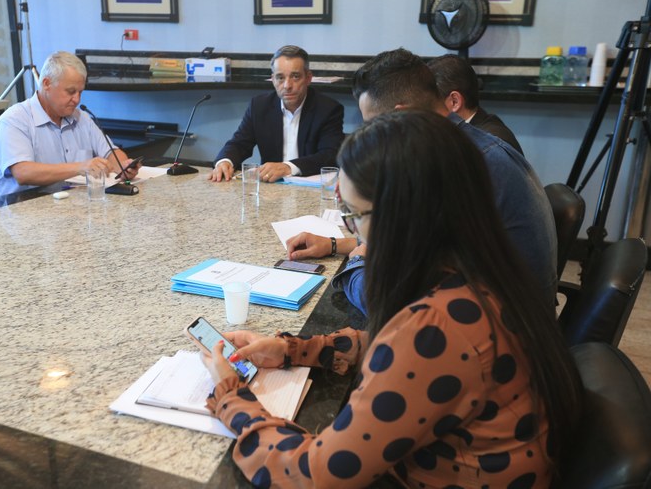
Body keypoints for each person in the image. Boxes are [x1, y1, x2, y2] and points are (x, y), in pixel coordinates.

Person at [201, 111, 583, 488]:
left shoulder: (435, 327)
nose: (353, 231)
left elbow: (312, 476)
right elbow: (406, 356)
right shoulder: (483, 265)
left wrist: (231, 395)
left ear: (403, 214)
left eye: (353, 215)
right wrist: (298, 349)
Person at [287, 48, 557, 313]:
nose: (372, 138)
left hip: (503, 327)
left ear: (402, 116)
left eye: (373, 126)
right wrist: (335, 244)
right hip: (518, 316)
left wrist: (354, 267)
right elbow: (413, 246)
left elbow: (389, 301)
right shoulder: (468, 144)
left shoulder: (449, 167)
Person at [0, 51, 139, 197]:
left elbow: (111, 153)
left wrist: (123, 166)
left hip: (70, 202)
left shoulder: (81, 118)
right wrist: (81, 167)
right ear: (47, 84)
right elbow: (23, 173)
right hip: (21, 205)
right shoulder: (14, 120)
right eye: (71, 92)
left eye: (80, 92)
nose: (77, 100)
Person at [208, 45, 344, 183]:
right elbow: (239, 143)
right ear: (273, 80)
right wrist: (225, 161)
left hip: (309, 186)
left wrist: (288, 167)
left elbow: (329, 155)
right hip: (271, 188)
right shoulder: (259, 106)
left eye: (295, 76)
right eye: (280, 77)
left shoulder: (328, 109)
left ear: (308, 78)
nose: (287, 85)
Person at [427, 54, 524, 155]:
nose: (426, 114)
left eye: (430, 105)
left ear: (455, 101)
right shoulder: (460, 135)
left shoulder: (490, 145)